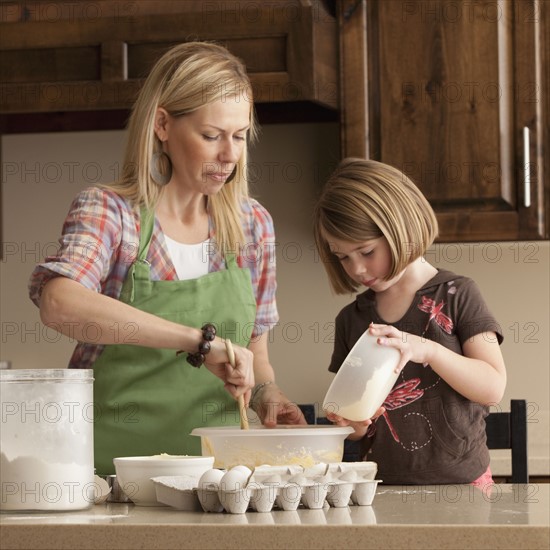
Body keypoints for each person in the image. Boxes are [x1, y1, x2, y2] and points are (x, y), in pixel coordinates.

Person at [29, 41, 305, 475]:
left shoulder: (252, 226)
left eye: (239, 136)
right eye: (212, 136)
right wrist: (199, 342)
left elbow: (256, 353)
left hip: (219, 479)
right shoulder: (111, 214)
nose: (229, 155)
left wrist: (269, 391)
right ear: (162, 124)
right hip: (111, 480)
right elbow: (59, 303)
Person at [313, 158, 506, 486]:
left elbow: (492, 388)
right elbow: (359, 429)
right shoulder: (352, 319)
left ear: (400, 228)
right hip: (381, 488)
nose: (356, 269)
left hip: (465, 484)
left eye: (366, 251)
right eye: (343, 257)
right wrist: (350, 423)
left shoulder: (458, 294)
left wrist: (427, 350)